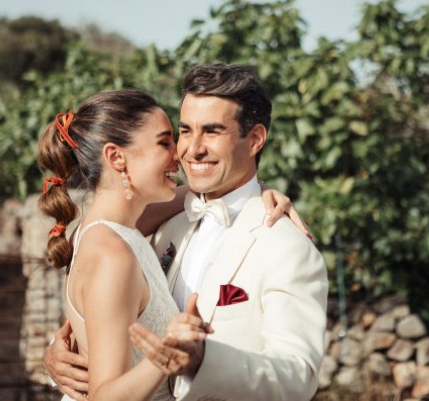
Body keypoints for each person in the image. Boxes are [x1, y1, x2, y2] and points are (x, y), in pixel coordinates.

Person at [44, 63, 327, 401]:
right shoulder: (161, 222)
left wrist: (203, 360)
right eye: (185, 131)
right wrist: (56, 354)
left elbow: (298, 376)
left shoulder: (286, 247)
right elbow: (102, 303)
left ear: (254, 139)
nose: (191, 149)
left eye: (212, 131)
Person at [38, 89, 212, 401]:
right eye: (164, 142)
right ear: (117, 157)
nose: (180, 154)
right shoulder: (111, 255)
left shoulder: (107, 229)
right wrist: (166, 355)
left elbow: (204, 193)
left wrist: (260, 193)